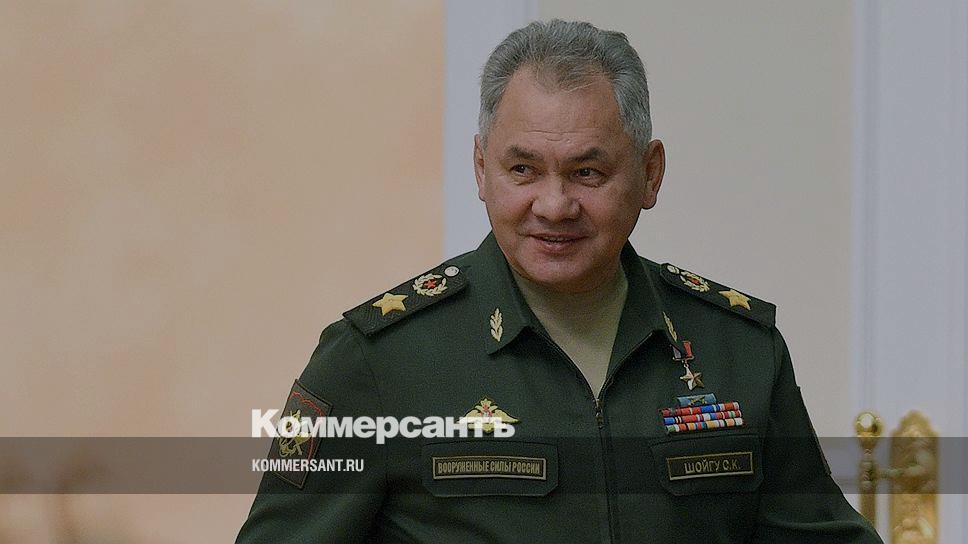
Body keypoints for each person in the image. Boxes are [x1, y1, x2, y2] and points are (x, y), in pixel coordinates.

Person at [237, 19, 882, 543]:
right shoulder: (378, 360)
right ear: (481, 168)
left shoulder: (737, 350)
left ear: (651, 174)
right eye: (523, 170)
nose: (554, 205)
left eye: (587, 173)